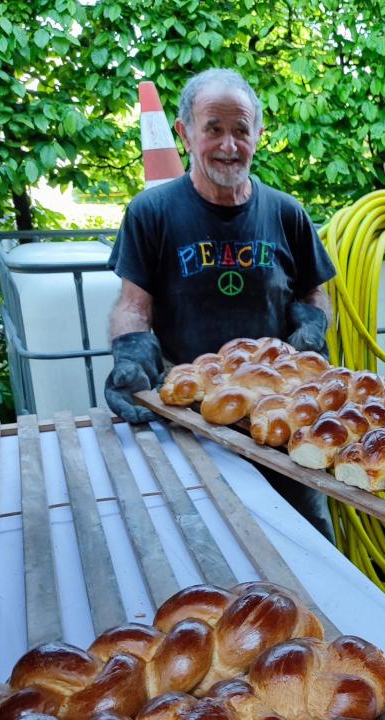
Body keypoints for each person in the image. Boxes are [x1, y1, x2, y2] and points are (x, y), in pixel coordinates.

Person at [104, 68, 338, 541]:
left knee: (309, 542)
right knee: (204, 543)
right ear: (184, 132)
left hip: (279, 421)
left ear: (259, 134)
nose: (229, 145)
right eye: (213, 129)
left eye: (241, 130)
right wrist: (131, 354)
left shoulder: (285, 212)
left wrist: (312, 329)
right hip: (192, 419)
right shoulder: (151, 214)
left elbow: (314, 293)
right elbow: (132, 305)